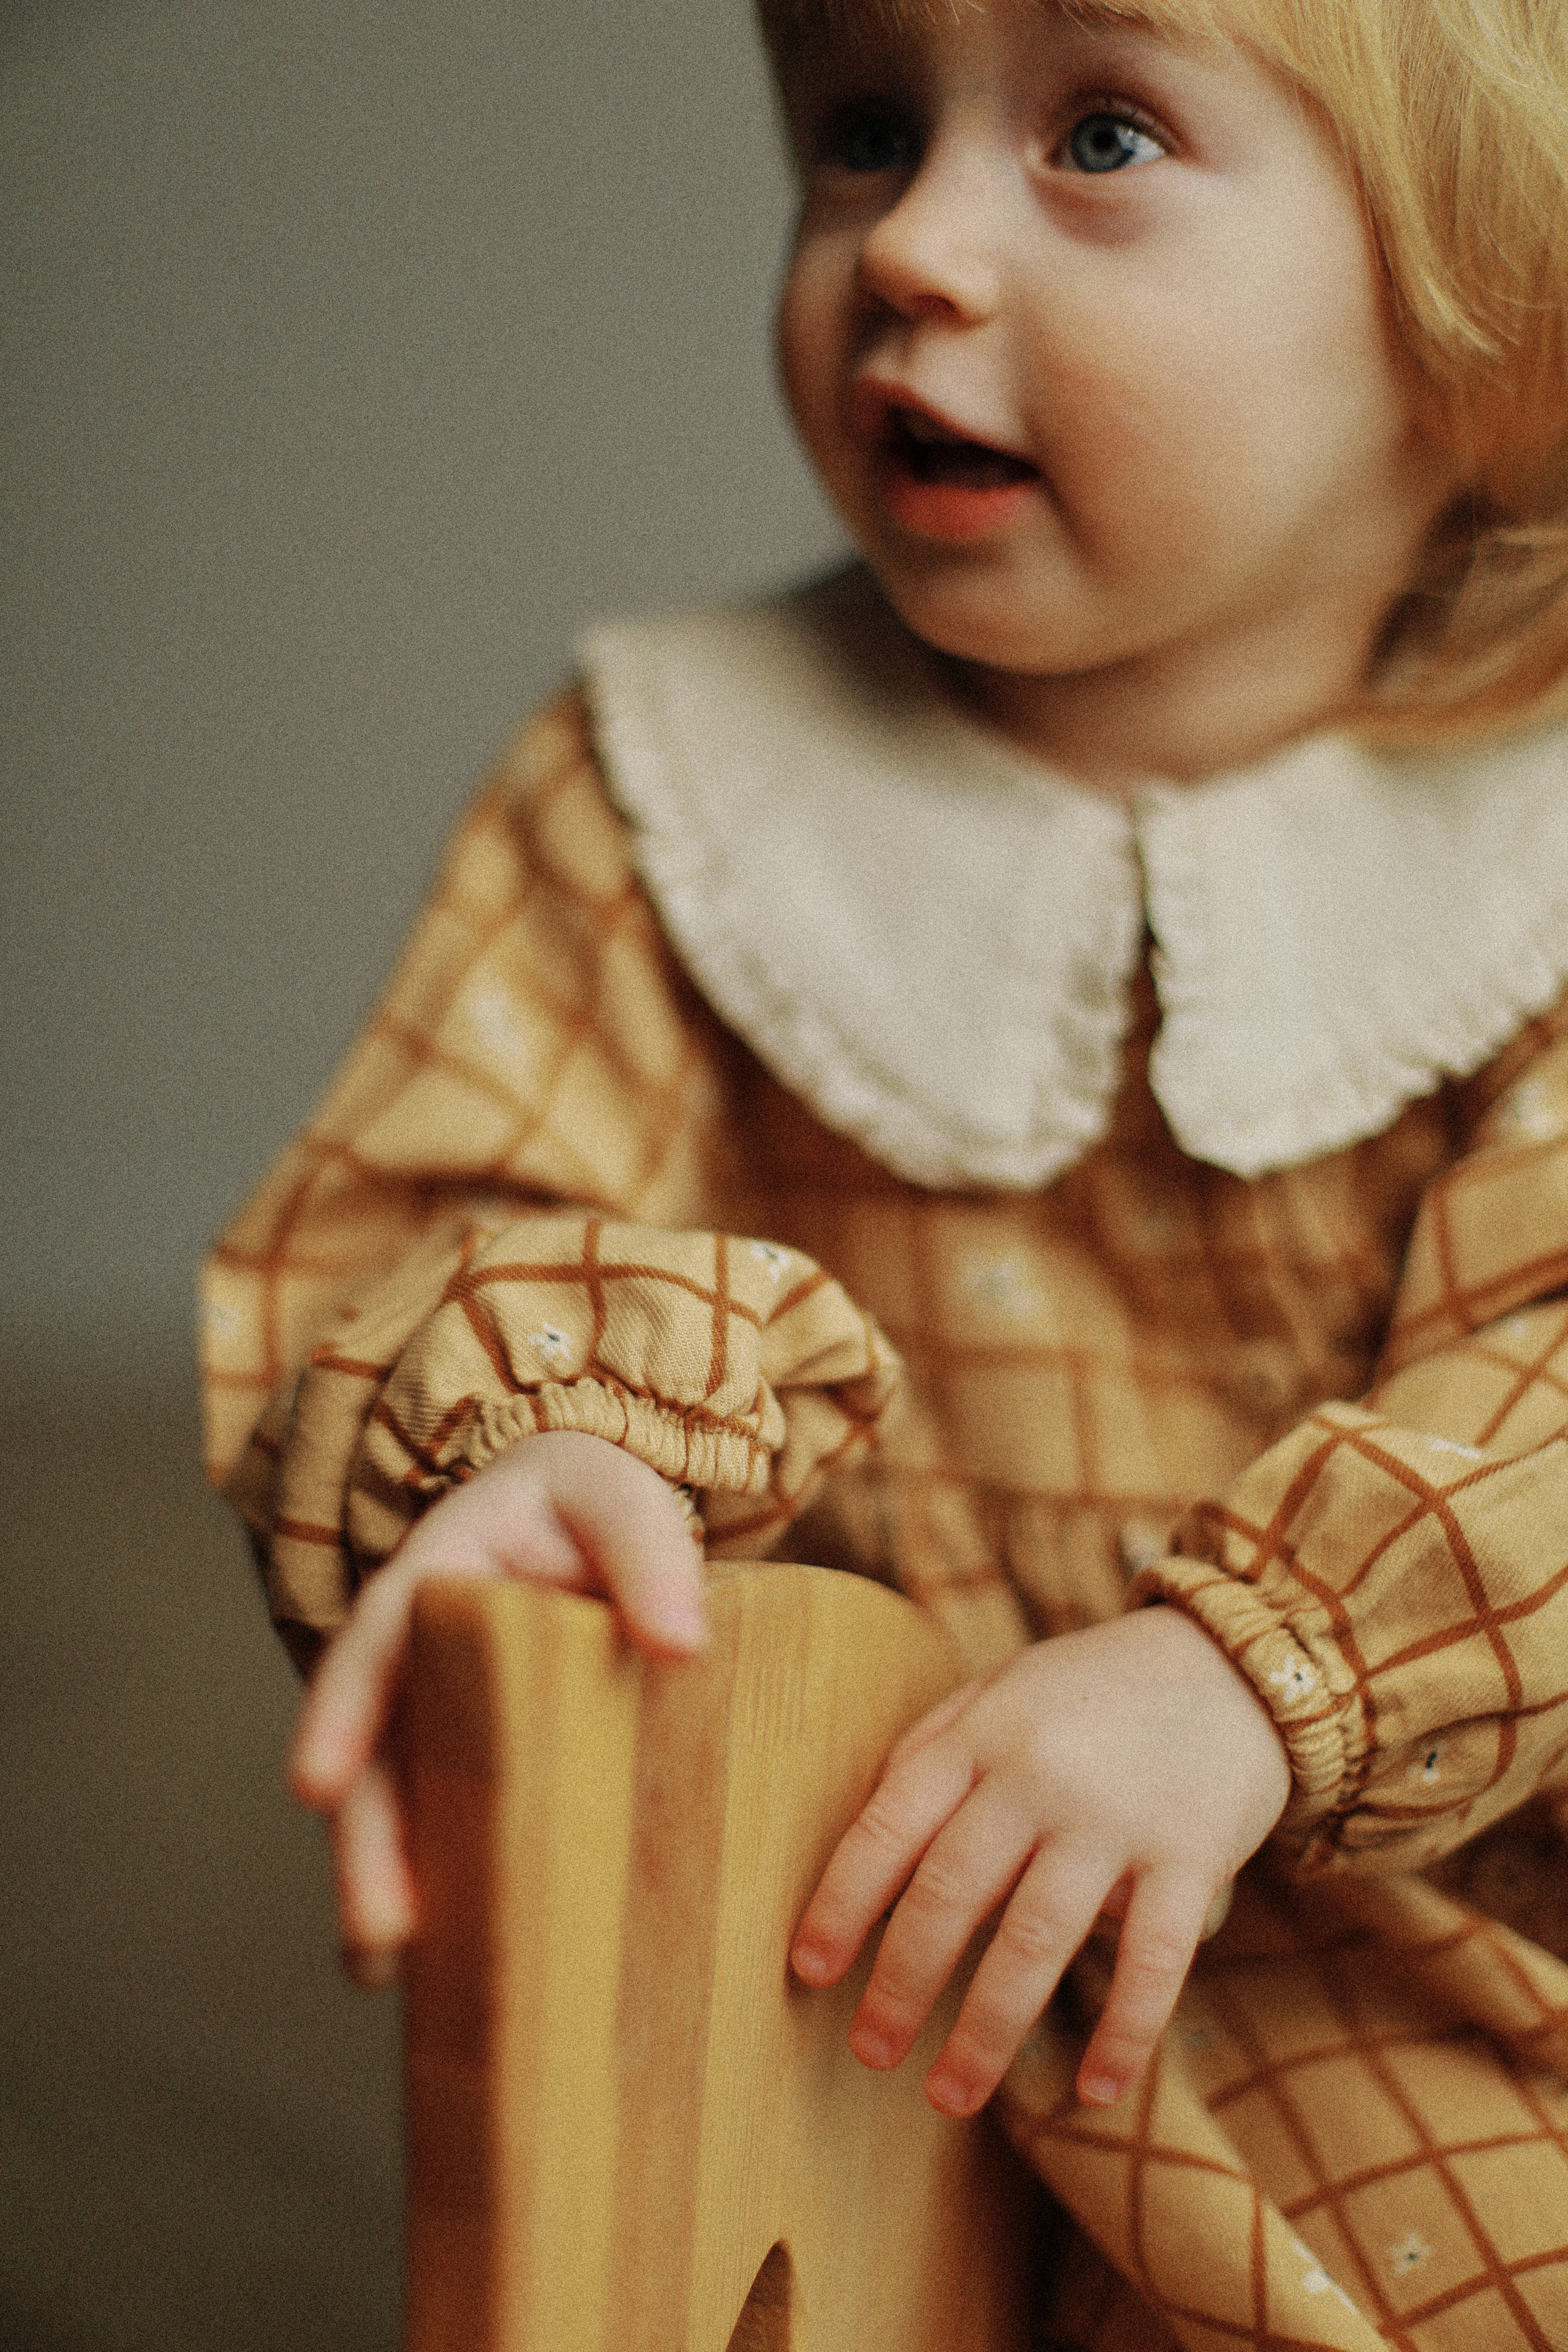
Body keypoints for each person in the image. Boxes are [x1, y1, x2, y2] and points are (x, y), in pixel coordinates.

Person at [202, 0, 1568, 2340]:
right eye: (856, 129)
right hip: (816, 1951)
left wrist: (1258, 1680)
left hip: (1402, 1976)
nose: (908, 244)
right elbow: (432, 1213)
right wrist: (519, 1453)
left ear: (1477, 292)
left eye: (1102, 134)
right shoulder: (661, 794)